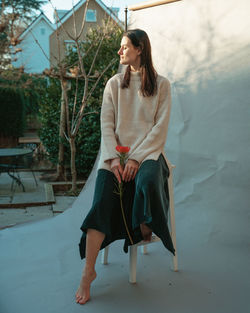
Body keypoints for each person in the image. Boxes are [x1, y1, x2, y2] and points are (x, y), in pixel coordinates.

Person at [75, 29, 175, 305]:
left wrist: (135, 158)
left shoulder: (162, 85)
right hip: (114, 156)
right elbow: (106, 126)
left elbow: (159, 130)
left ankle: (144, 227)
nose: (119, 52)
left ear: (140, 48)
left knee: (147, 181)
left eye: (124, 47)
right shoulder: (114, 84)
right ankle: (88, 272)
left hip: (149, 154)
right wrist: (114, 160)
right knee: (102, 201)